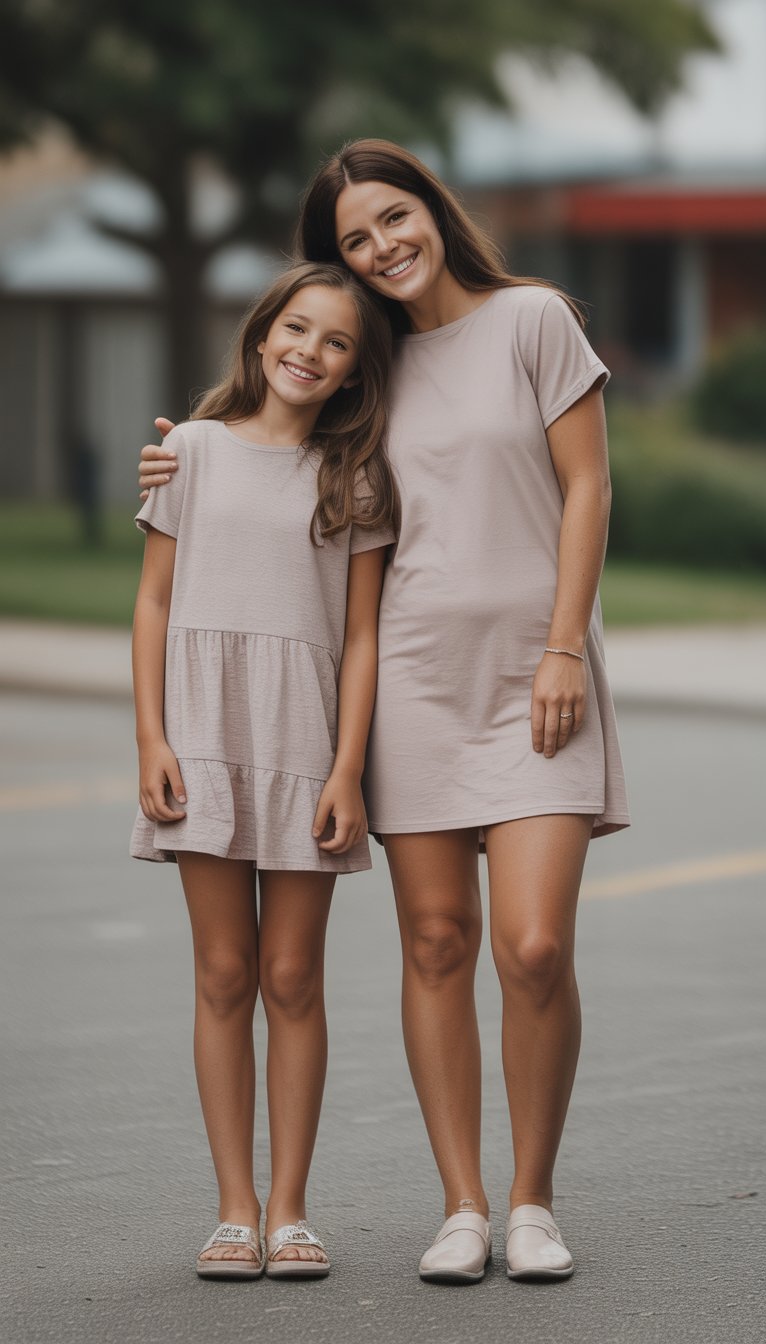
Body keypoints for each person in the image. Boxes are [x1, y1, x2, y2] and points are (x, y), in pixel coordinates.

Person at [138, 139, 630, 1284]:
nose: (382, 247)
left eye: (394, 219)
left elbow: (589, 486)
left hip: (535, 672)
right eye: (356, 240)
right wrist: (179, 462)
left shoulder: (535, 320)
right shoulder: (373, 360)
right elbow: (274, 444)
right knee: (437, 940)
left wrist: (567, 643)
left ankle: (532, 1200)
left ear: (434, 211)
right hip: (409, 681)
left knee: (536, 944)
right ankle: (463, 1206)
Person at [130, 260, 397, 1280]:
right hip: (199, 734)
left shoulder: (353, 473)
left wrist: (347, 768)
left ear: (354, 373)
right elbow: (154, 603)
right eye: (298, 328)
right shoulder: (187, 453)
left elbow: (362, 636)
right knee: (224, 972)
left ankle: (291, 1209)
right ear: (262, 332)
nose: (310, 352)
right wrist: (151, 737)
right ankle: (233, 1209)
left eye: (336, 343)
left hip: (302, 741)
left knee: (292, 976)